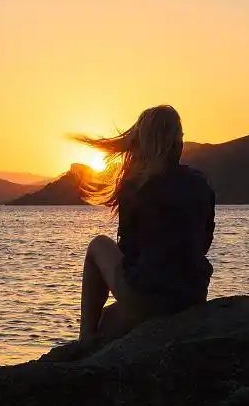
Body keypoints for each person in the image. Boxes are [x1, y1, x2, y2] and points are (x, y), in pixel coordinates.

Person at [74, 104, 215, 343]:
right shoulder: (201, 185)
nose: (182, 141)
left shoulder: (136, 187)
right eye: (181, 136)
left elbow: (130, 252)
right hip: (193, 295)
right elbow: (204, 241)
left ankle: (84, 342)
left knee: (98, 246)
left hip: (152, 296)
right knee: (109, 319)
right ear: (176, 143)